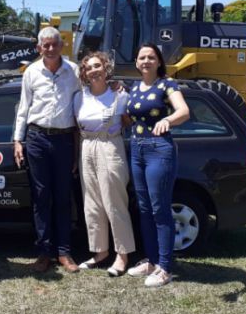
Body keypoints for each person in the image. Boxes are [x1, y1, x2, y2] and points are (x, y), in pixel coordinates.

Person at [13, 27, 81, 273]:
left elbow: (87, 99)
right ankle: (44, 252)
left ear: (61, 45)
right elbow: (23, 107)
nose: (50, 49)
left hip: (64, 140)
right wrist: (18, 140)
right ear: (39, 48)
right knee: (41, 197)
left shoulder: (74, 71)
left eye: (54, 44)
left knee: (63, 197)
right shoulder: (31, 72)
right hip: (37, 138)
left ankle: (64, 252)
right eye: (46, 45)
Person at [125, 43, 189, 287]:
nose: (146, 61)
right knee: (144, 209)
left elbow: (184, 111)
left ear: (159, 62)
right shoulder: (135, 87)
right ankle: (151, 261)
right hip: (137, 149)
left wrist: (168, 120)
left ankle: (165, 267)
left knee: (160, 209)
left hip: (159, 150)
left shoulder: (167, 85)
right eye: (142, 57)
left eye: (151, 57)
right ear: (136, 62)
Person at [73, 52, 136, 277]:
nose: (94, 71)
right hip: (86, 148)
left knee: (114, 203)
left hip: (111, 147)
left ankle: (123, 255)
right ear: (84, 73)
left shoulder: (120, 95)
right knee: (92, 203)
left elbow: (130, 123)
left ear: (106, 68)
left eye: (97, 66)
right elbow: (74, 130)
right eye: (89, 68)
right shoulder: (79, 97)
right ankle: (100, 251)